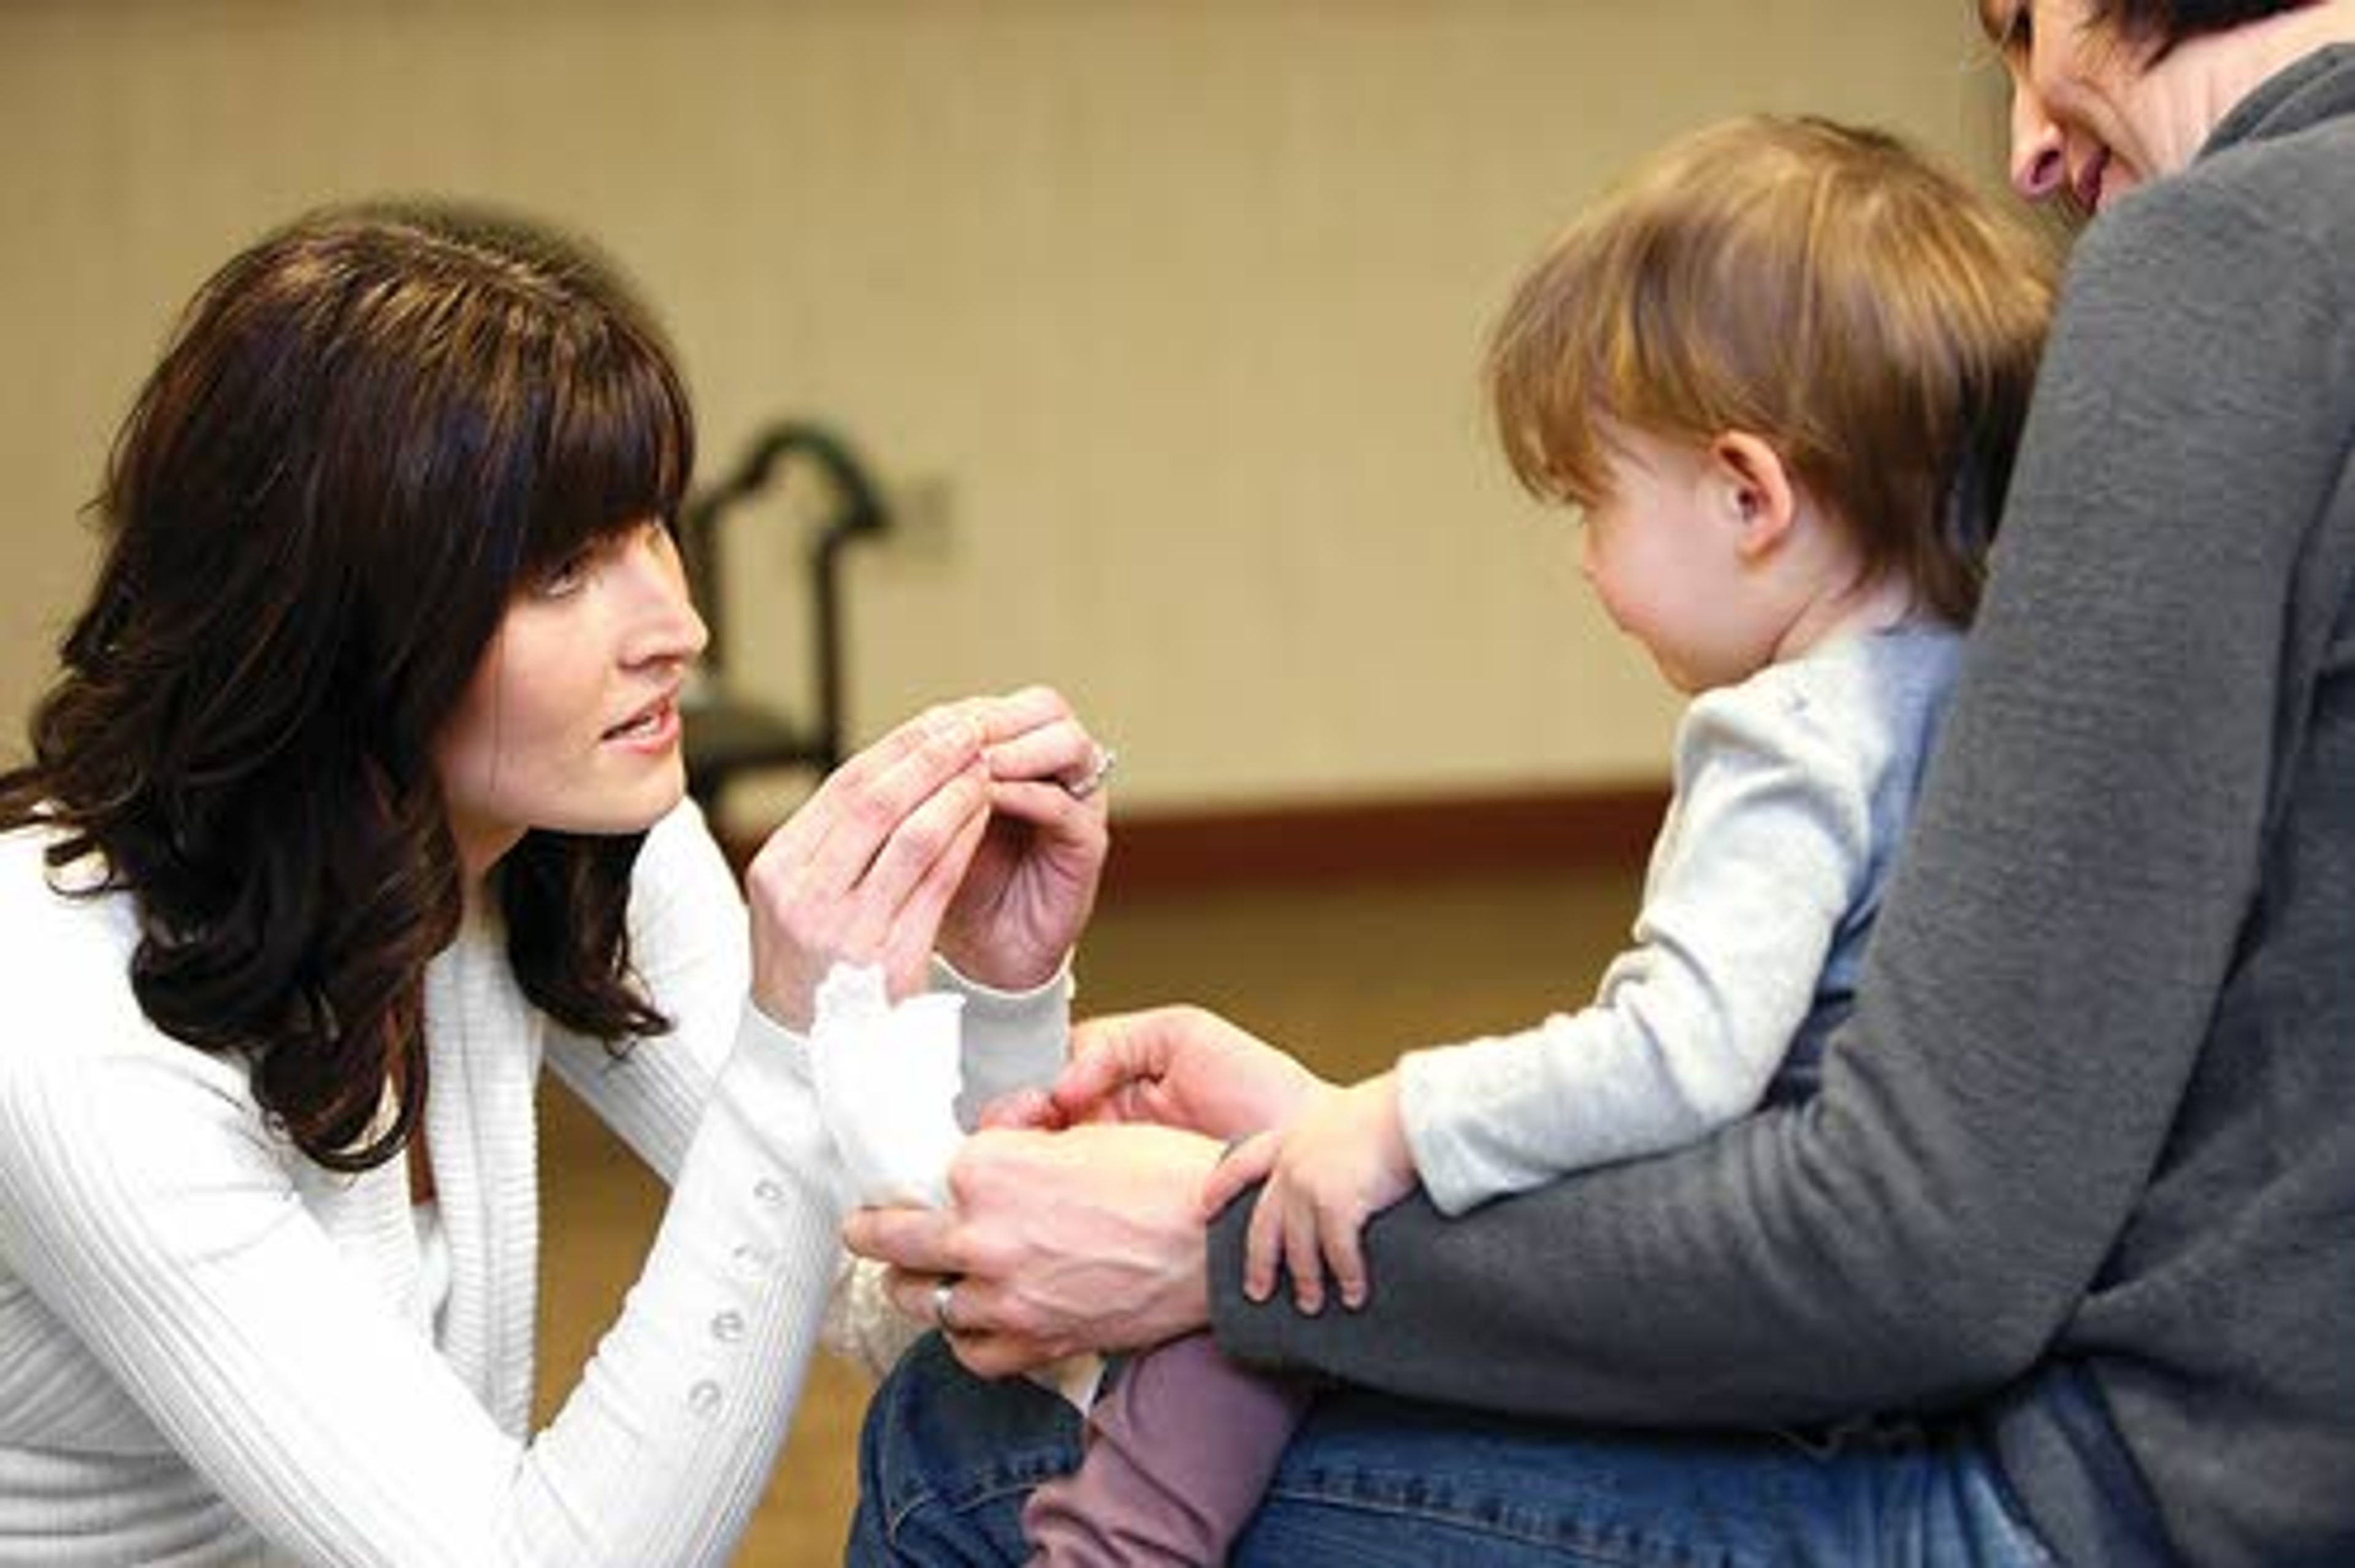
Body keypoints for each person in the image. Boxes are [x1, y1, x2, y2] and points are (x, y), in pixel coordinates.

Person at [841, 2, 2355, 1561]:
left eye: (2024, 22)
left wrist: (1259, 1219)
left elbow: (1798, 1158)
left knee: (962, 1450)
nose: (2026, 142)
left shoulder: (2210, 285)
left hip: (2095, 1487)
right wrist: (1334, 1138)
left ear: (1750, 494)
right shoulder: (1967, 666)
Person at [1007, 113, 2057, 1568]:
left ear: (1748, 497)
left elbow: (1685, 1055)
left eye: (1593, 500)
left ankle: (1112, 1541)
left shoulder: (1790, 736)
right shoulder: (1989, 681)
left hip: (1771, 1354)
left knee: (1280, 1218)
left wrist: (1393, 1117)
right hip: (1889, 1346)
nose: (1583, 559)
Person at [0, 199, 1112, 1564]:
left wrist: (999, 995)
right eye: (564, 570)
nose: (679, 629)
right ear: (341, 619)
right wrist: (786, 1048)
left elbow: (916, 1298)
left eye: (653, 531)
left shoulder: (572, 834)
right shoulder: (63, 1014)